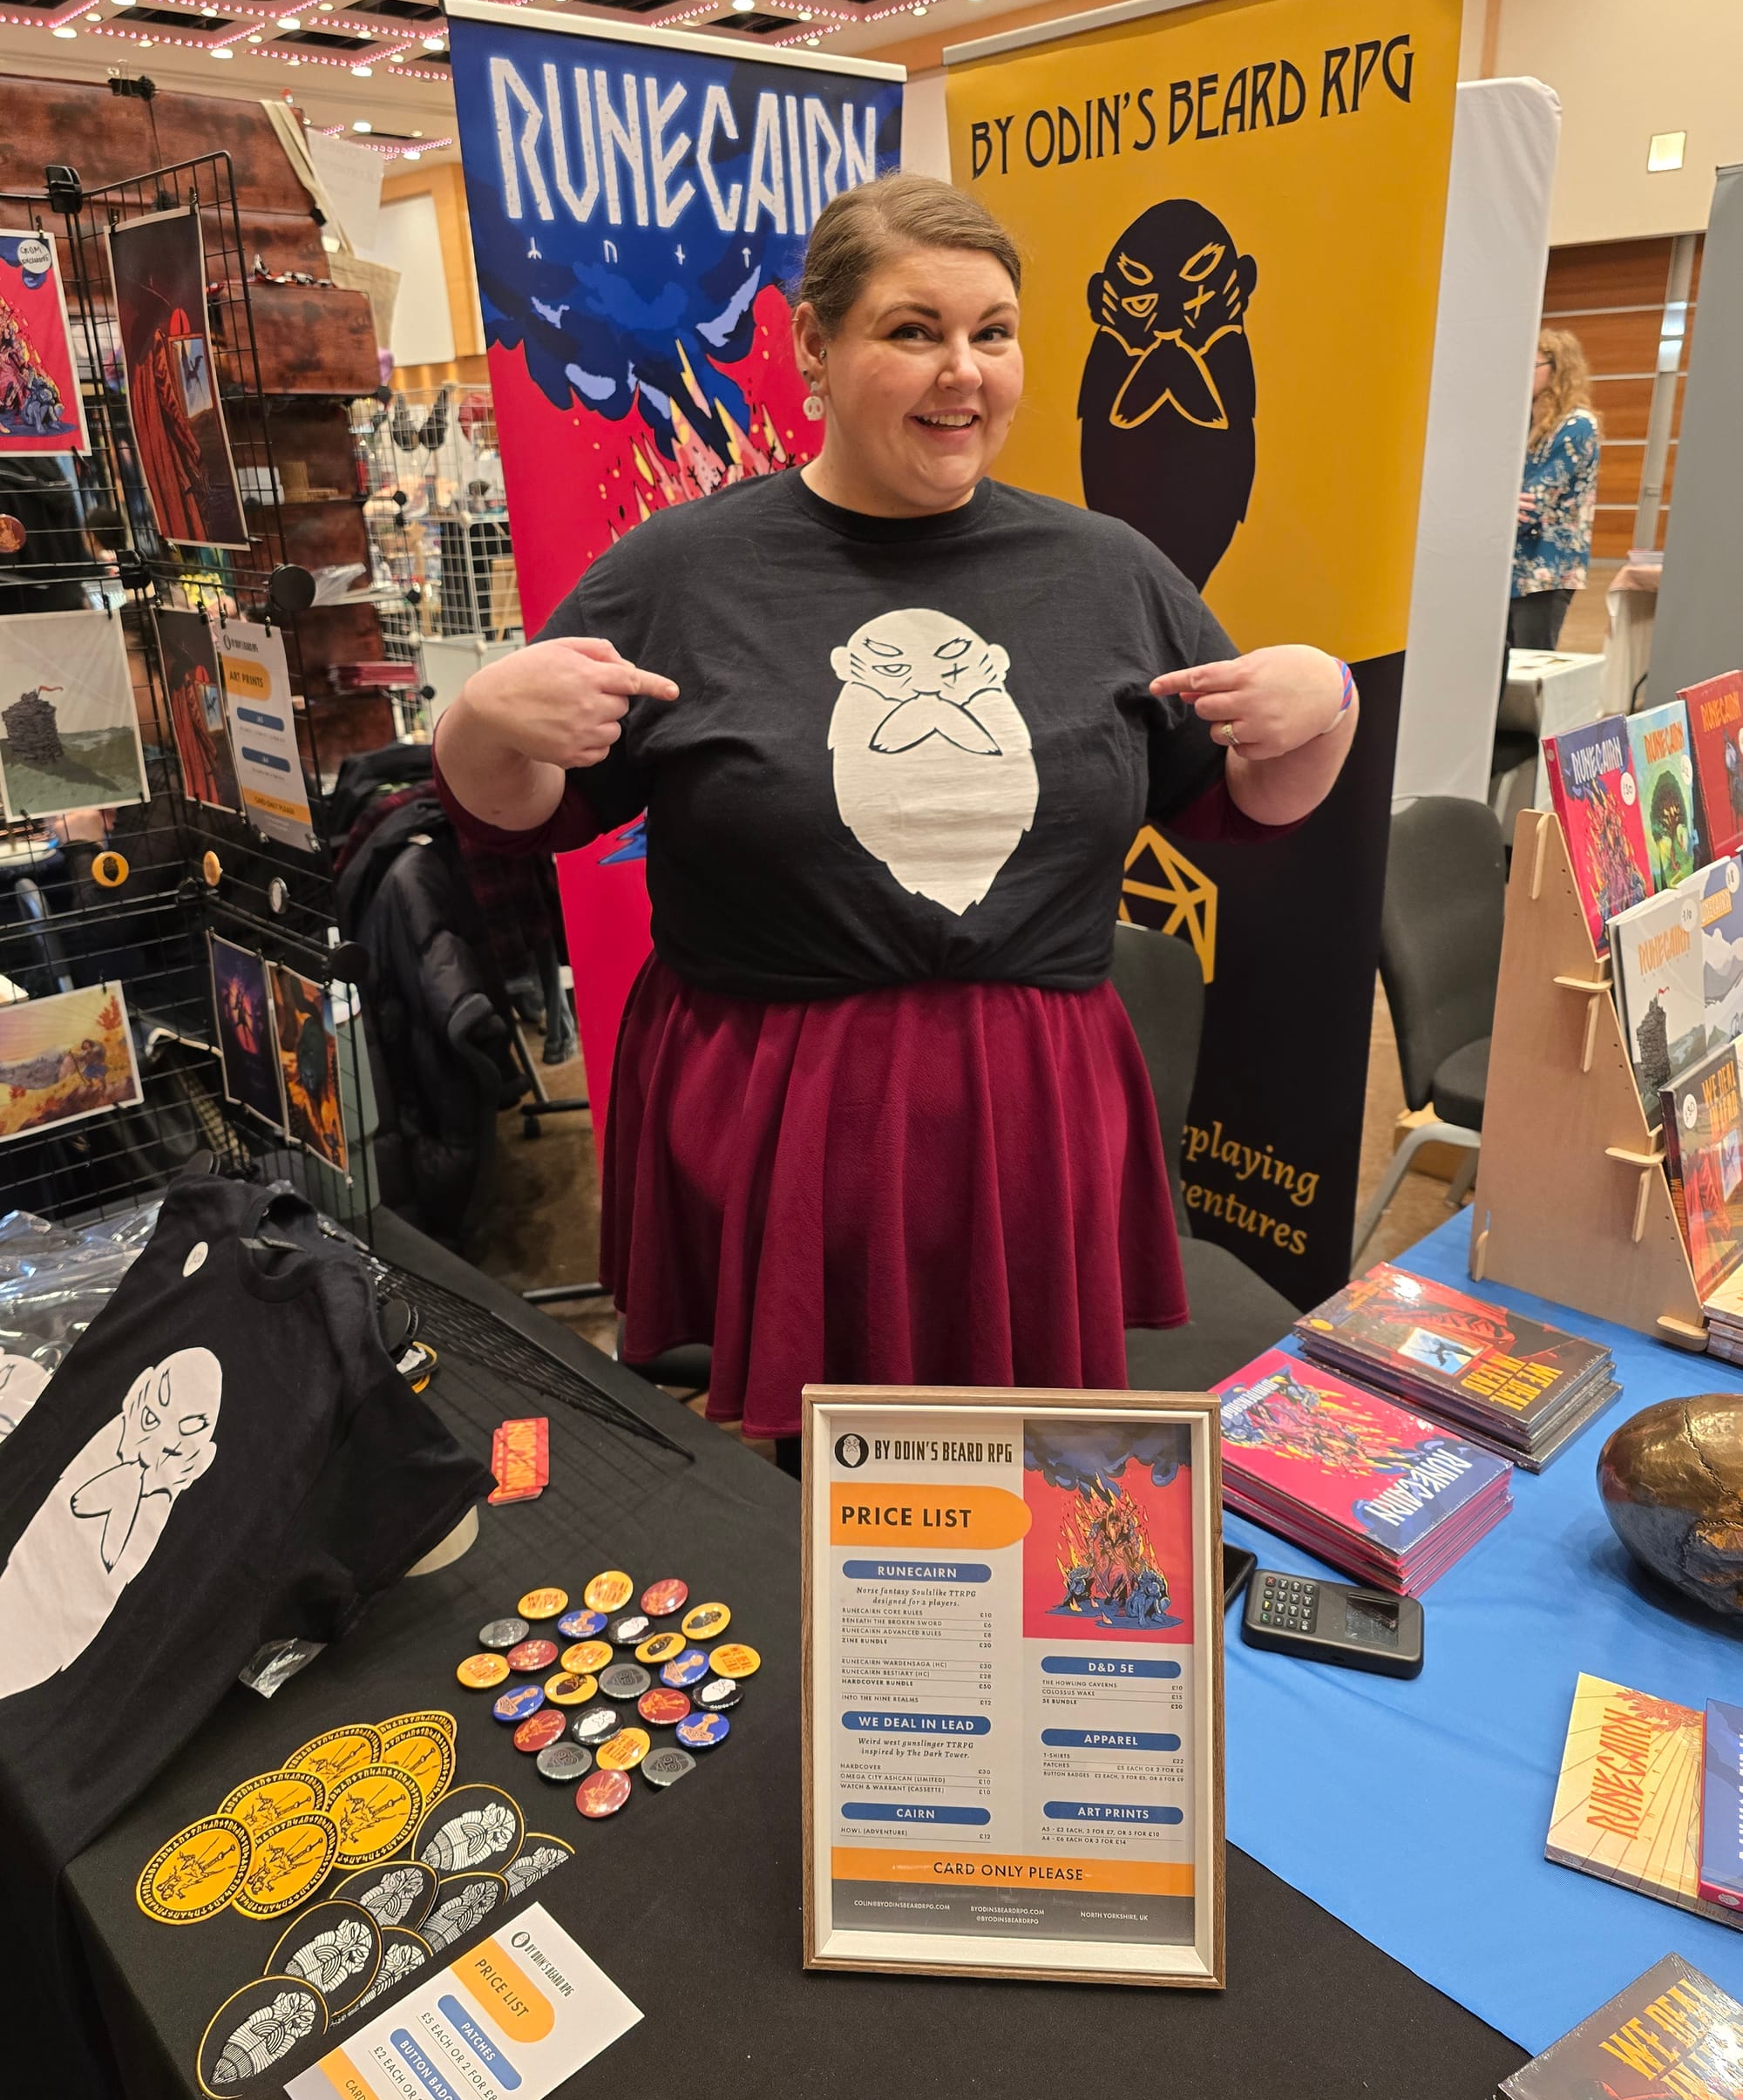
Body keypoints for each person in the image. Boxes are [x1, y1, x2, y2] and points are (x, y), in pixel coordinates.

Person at [433, 173, 1358, 1466]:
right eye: (913, 330)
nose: (963, 372)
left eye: (993, 331)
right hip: (779, 1103)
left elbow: (1245, 806)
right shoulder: (680, 571)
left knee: (1017, 1463)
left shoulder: (1108, 570)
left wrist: (1330, 707)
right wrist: (475, 724)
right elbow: (533, 814)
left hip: (1029, 1108)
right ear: (815, 346)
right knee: (798, 1460)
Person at [1510, 326, 1601, 651]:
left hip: (1546, 571)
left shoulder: (1577, 425)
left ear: (1557, 370)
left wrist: (1500, 505)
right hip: (1511, 568)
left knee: (1529, 668)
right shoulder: (1527, 423)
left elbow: (1531, 502)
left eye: (1532, 365)